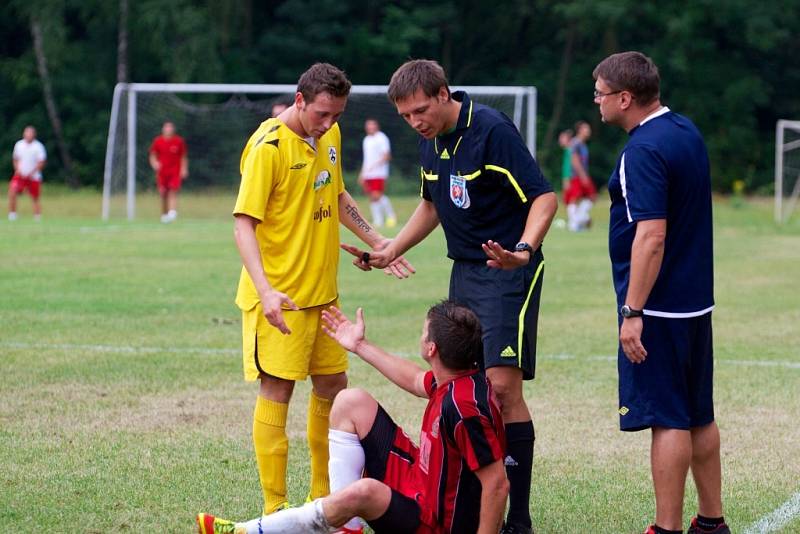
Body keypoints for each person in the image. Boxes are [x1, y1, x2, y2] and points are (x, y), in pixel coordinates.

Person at [342, 59, 557, 534]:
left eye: (420, 110)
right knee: (465, 390)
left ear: (444, 94)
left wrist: (523, 250)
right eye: (405, 116)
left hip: (506, 271)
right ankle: (474, 508)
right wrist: (389, 248)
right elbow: (432, 204)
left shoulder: (492, 130)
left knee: (501, 389)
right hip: (464, 271)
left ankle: (515, 521)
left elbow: (544, 197)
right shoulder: (430, 143)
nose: (415, 121)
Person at [231, 62, 413, 521]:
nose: (329, 123)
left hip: (323, 295)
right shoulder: (267, 147)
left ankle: (321, 498)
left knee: (333, 386)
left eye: (337, 115)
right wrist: (266, 290)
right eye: (321, 114)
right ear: (299, 101)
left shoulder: (328, 136)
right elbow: (243, 225)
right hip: (280, 299)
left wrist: (378, 242)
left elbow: (337, 195)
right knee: (278, 390)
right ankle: (275, 508)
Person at [197, 301, 509, 534]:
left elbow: (497, 485)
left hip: (433, 523)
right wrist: (359, 345)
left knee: (366, 491)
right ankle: (347, 529)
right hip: (420, 483)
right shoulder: (456, 379)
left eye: (422, 330)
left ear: (431, 348)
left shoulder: (465, 408)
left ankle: (249, 530)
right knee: (351, 402)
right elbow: (415, 379)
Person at [594, 51, 728, 534]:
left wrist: (633, 310)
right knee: (698, 415)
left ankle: (666, 528)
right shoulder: (686, 130)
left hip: (660, 309)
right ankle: (712, 522)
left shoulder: (642, 150)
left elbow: (652, 235)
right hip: (695, 303)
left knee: (669, 419)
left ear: (625, 98)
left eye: (601, 93)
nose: (597, 100)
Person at [359, 118, 397, 228]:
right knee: (372, 197)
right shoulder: (366, 140)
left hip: (379, 173)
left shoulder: (381, 138)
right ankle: (378, 220)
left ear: (377, 126)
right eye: (368, 125)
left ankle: (391, 216)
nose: (370, 127)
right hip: (368, 173)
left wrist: (374, 166)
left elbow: (386, 156)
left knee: (377, 195)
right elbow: (366, 159)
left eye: (372, 125)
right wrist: (362, 173)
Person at [148, 121, 188, 223]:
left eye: (170, 128)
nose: (168, 129)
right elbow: (152, 155)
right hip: (162, 172)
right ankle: (164, 215)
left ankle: (172, 212)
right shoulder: (158, 141)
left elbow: (183, 156)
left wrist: (184, 169)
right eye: (166, 127)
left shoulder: (179, 141)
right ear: (163, 129)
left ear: (173, 129)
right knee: (163, 193)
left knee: (173, 190)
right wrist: (155, 163)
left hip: (175, 170)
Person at [8, 125, 46, 221]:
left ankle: (37, 217)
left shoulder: (38, 146)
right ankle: (12, 214)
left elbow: (41, 162)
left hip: (34, 176)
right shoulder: (19, 145)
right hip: (20, 175)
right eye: (26, 132)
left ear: (34, 135)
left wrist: (32, 172)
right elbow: (15, 159)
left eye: (30, 133)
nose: (28, 134)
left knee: (35, 197)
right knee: (12, 191)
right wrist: (17, 170)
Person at [563, 121, 595, 231]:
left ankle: (580, 219)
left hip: (581, 175)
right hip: (577, 176)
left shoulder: (582, 144)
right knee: (575, 198)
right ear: (580, 130)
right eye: (586, 128)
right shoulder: (576, 143)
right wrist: (583, 176)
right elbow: (574, 160)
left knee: (589, 197)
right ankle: (575, 223)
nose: (588, 131)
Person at [558, 129, 573, 193]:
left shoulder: (571, 150)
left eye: (562, 138)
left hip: (570, 176)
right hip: (566, 176)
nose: (560, 140)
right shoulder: (566, 150)